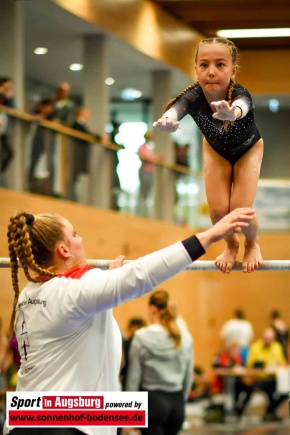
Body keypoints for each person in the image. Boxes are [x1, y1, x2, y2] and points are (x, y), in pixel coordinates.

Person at [4, 207, 254, 435]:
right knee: (123, 410)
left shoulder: (28, 295)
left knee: (122, 410)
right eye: (76, 234)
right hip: (62, 424)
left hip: (26, 416)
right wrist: (208, 237)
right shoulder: (71, 292)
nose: (82, 239)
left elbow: (78, 319)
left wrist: (107, 282)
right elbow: (141, 275)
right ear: (64, 250)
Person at [153, 37, 264, 274]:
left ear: (233, 71)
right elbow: (177, 108)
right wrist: (168, 119)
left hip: (248, 149)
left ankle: (252, 243)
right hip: (215, 151)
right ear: (196, 69)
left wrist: (231, 113)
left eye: (220, 65)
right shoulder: (193, 97)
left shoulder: (240, 94)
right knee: (217, 212)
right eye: (204, 65)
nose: (211, 72)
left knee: (240, 211)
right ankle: (231, 244)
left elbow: (240, 107)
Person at [125, 290, 193, 435]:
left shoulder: (141, 337)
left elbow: (133, 378)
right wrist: (182, 402)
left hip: (152, 402)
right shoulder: (186, 337)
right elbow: (188, 376)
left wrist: (129, 413)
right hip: (176, 403)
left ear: (152, 309)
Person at [234, 327, 287, 421]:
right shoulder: (255, 347)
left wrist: (274, 368)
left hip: (272, 378)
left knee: (284, 390)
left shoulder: (277, 347)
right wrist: (261, 366)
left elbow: (282, 363)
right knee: (241, 386)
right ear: (263, 337)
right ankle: (238, 411)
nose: (268, 341)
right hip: (257, 379)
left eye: (271, 339)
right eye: (267, 339)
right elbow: (249, 365)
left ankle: (270, 412)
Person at [137, 130, 163, 216]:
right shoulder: (142, 147)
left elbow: (152, 158)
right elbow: (145, 158)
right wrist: (154, 159)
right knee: (143, 191)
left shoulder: (150, 148)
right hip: (144, 171)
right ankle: (139, 212)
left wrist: (158, 158)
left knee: (148, 191)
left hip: (150, 171)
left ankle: (145, 212)